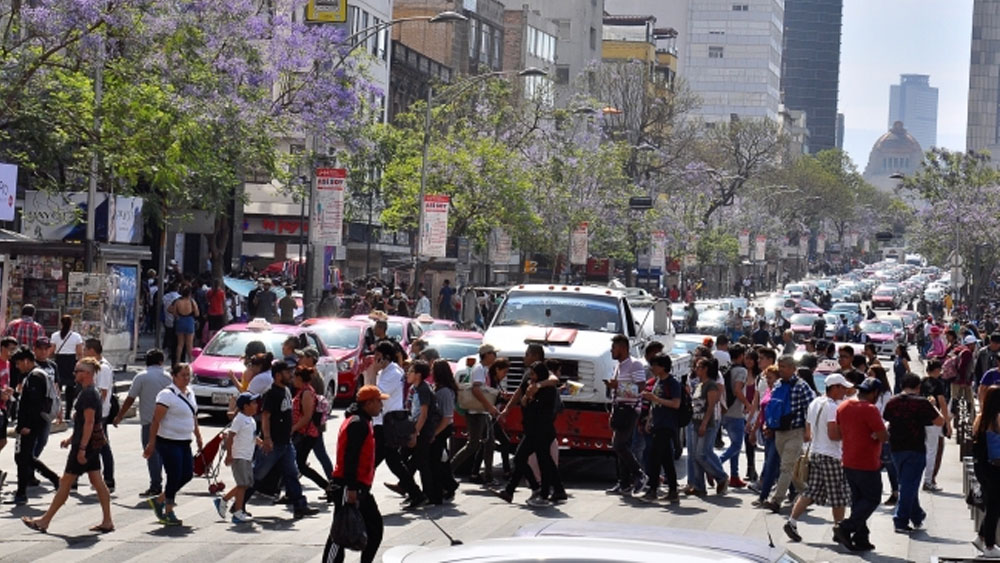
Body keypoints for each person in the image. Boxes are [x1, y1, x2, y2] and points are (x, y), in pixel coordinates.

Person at [21, 357, 114, 534]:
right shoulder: (89, 392)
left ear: (87, 374)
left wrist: (80, 448)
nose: (74, 373)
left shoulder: (88, 394)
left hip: (84, 446)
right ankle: (107, 520)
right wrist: (71, 439)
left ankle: (44, 520)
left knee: (65, 483)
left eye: (78, 370)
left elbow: (89, 422)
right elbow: (84, 424)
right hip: (89, 445)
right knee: (97, 481)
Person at [783, 374, 852, 545]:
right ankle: (839, 529)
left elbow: (808, 431)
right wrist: (848, 434)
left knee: (811, 491)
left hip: (816, 452)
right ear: (834, 388)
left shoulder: (815, 402)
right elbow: (833, 433)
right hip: (831, 454)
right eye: (842, 387)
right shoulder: (832, 407)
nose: (845, 391)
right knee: (838, 494)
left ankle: (791, 521)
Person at [245, 360, 319, 519]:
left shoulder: (286, 390)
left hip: (286, 443)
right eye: (287, 372)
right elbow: (265, 416)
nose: (290, 375)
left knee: (292, 473)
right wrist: (267, 438)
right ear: (278, 375)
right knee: (257, 475)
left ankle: (300, 506)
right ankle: (238, 505)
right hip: (273, 443)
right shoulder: (271, 393)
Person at [324, 385, 387, 563]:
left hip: (359, 486)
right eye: (379, 401)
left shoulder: (363, 420)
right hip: (348, 485)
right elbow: (350, 457)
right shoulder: (358, 423)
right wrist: (351, 488)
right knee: (339, 534)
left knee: (374, 528)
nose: (381, 406)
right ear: (369, 403)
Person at [882, 374, 945, 533]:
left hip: (896, 448)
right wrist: (933, 405)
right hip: (915, 448)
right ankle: (901, 520)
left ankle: (917, 515)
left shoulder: (893, 402)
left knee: (907, 482)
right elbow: (940, 421)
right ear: (918, 387)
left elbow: (886, 419)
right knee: (909, 485)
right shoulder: (922, 403)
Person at [143, 363, 203, 526]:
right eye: (182, 375)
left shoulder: (190, 392)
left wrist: (197, 435)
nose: (186, 378)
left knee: (187, 474)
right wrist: (151, 443)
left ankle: (160, 499)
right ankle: (168, 510)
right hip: (168, 441)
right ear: (174, 376)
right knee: (174, 474)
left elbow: (193, 415)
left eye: (188, 375)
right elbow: (156, 420)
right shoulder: (166, 395)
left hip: (185, 441)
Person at [496, 361, 562, 507]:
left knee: (544, 461)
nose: (531, 378)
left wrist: (532, 396)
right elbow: (521, 398)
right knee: (519, 458)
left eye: (533, 374)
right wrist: (524, 399)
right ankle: (528, 488)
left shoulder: (548, 390)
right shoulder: (528, 386)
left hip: (543, 431)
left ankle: (543, 494)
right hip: (531, 431)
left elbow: (541, 410)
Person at [836, 378, 889, 552]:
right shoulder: (870, 409)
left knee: (859, 500)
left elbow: (838, 432)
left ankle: (861, 538)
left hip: (848, 459)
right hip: (867, 461)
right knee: (872, 498)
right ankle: (845, 527)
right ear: (874, 393)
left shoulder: (843, 406)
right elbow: (883, 436)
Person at [762, 356, 817, 513]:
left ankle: (776, 500)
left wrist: (808, 431)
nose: (781, 369)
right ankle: (808, 493)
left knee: (785, 467)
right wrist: (769, 425)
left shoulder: (801, 386)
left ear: (793, 368)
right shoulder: (778, 385)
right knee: (791, 468)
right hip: (779, 432)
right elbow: (772, 408)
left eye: (785, 366)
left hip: (795, 432)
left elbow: (811, 409)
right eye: (780, 366)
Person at [113, 349, 171, 497]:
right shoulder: (168, 377)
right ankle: (168, 485)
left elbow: (130, 398)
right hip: (167, 422)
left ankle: (155, 485)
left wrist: (120, 416)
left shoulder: (141, 377)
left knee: (151, 453)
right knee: (165, 454)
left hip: (148, 422)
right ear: (160, 361)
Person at [12, 347, 60, 505]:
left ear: (26, 361)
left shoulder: (35, 377)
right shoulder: (36, 375)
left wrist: (27, 426)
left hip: (31, 424)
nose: (18, 367)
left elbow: (34, 405)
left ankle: (21, 493)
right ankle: (54, 479)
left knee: (22, 457)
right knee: (24, 457)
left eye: (19, 363)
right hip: (34, 423)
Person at [451, 344, 500, 485]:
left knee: (489, 443)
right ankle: (448, 469)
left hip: (482, 412)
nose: (495, 356)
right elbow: (476, 390)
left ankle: (488, 476)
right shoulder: (479, 369)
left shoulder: (484, 369)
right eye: (493, 353)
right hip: (476, 412)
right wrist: (489, 405)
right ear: (487, 354)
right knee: (473, 445)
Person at [606, 334, 648, 495]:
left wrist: (618, 385)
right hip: (619, 409)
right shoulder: (619, 366)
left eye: (614, 348)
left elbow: (640, 388)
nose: (611, 351)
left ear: (623, 348)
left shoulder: (635, 365)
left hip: (630, 410)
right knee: (621, 447)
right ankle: (624, 483)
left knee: (619, 444)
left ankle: (639, 475)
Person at [685, 356, 729, 496]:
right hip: (695, 421)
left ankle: (720, 476)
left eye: (699, 367)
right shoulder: (698, 385)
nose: (696, 369)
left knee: (701, 454)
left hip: (706, 423)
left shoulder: (711, 385)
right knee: (695, 455)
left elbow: (711, 406)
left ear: (705, 369)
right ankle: (699, 486)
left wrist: (704, 423)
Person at [640, 352, 681, 501]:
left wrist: (655, 398)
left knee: (654, 456)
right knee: (666, 459)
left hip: (667, 425)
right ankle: (673, 491)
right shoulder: (658, 381)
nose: (652, 368)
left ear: (663, 367)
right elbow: (653, 404)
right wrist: (649, 420)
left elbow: (676, 404)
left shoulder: (672, 383)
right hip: (657, 423)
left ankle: (652, 489)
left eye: (655, 365)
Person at [218, 393, 259, 524]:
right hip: (239, 456)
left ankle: (224, 500)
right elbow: (231, 437)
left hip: (247, 456)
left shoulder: (251, 420)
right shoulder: (240, 419)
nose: (256, 405)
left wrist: (262, 443)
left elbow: (252, 437)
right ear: (245, 406)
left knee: (247, 484)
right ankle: (237, 512)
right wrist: (229, 455)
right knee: (242, 485)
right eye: (253, 403)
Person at [84, 338, 116, 492]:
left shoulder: (103, 368)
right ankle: (104, 479)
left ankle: (108, 479)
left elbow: (102, 392)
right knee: (99, 445)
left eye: (85, 349)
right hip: (98, 412)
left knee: (100, 446)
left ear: (91, 351)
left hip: (100, 413)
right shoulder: (98, 367)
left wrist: (93, 411)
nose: (83, 353)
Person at [972, 387, 1000, 557]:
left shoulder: (981, 418)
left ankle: (982, 536)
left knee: (994, 504)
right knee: (994, 507)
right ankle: (989, 545)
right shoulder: (997, 419)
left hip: (983, 467)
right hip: (995, 468)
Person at [720, 344, 752, 488]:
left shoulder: (728, 369)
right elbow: (737, 390)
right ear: (741, 356)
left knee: (735, 445)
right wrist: (748, 404)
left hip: (725, 411)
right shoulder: (741, 371)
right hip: (736, 412)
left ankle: (734, 475)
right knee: (737, 445)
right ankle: (715, 464)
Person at [430, 359, 459, 502]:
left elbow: (447, 416)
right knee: (441, 459)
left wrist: (435, 433)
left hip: (443, 428)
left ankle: (448, 485)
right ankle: (446, 485)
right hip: (440, 427)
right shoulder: (439, 388)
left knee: (438, 460)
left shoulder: (445, 392)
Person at [920, 359, 950, 492]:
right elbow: (942, 403)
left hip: (921, 419)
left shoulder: (921, 382)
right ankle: (928, 480)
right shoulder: (938, 384)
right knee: (933, 451)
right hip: (934, 419)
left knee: (924, 450)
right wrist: (947, 423)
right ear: (937, 370)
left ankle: (926, 478)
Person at [51, 315, 84, 420]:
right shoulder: (76, 336)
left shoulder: (55, 335)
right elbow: (79, 353)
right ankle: (68, 413)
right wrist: (80, 364)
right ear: (71, 324)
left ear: (61, 323)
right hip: (71, 363)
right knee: (70, 390)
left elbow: (51, 350)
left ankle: (57, 412)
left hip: (59, 361)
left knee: (57, 389)